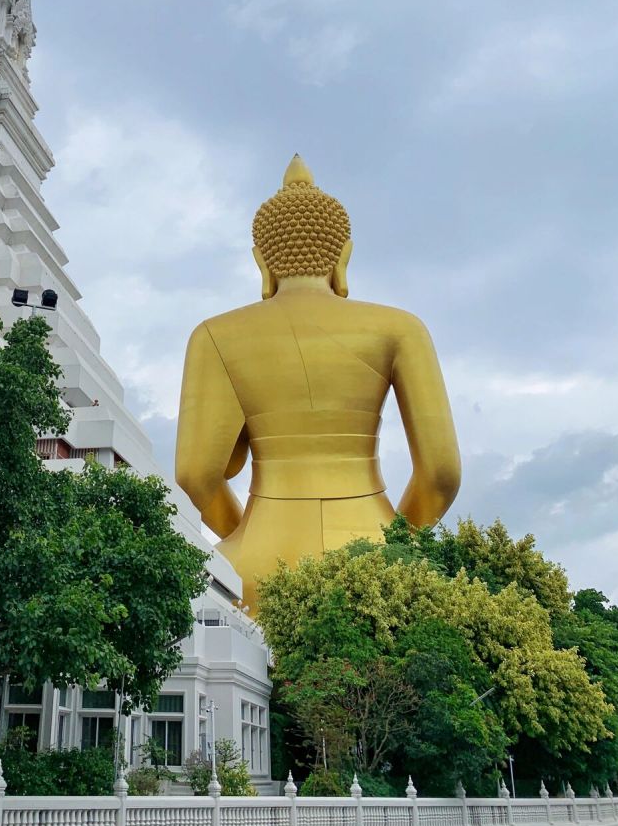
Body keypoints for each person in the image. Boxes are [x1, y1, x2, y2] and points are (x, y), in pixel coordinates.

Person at [175, 156, 460, 611]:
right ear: (343, 257)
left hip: (254, 567)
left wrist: (243, 534)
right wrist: (395, 546)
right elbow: (441, 474)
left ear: (262, 263)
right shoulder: (400, 328)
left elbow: (195, 475)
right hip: (377, 565)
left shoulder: (213, 335)